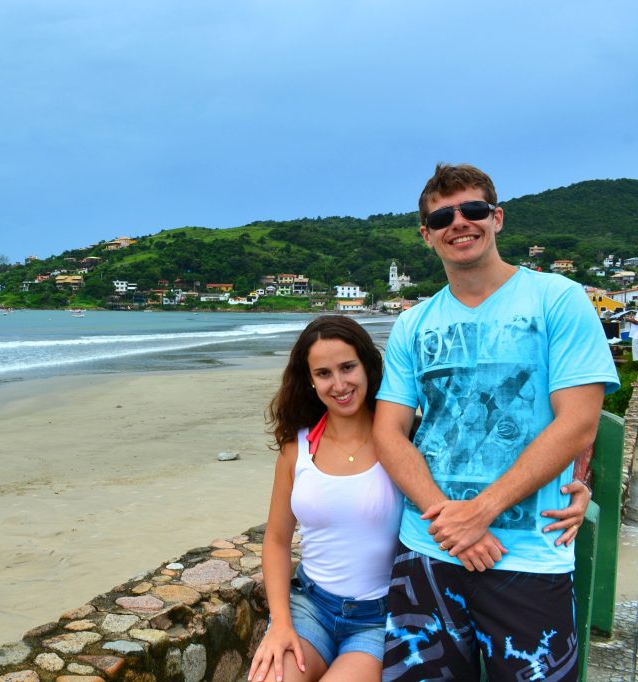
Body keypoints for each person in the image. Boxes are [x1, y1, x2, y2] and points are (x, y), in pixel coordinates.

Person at [373, 163, 619, 681]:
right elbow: (387, 431)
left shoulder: (558, 299)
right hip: (430, 549)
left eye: (474, 209)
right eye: (442, 216)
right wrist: (449, 518)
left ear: (497, 218)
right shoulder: (414, 324)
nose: (459, 222)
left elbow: (577, 423)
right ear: (427, 234)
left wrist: (481, 512)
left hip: (528, 556)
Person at [247, 316, 589, 682]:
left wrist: (576, 487)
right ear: (310, 380)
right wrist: (280, 623)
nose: (339, 384)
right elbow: (278, 539)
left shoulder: (410, 442)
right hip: (309, 607)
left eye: (348, 367)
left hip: (380, 617)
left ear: (368, 366)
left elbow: (490, 466)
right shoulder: (296, 447)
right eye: (324, 373)